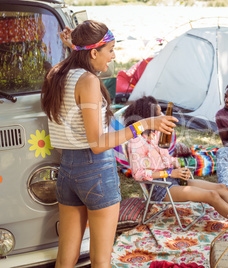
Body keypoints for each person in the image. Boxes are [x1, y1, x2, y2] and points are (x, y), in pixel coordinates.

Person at [41, 20, 177, 268]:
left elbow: (75, 62)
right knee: (101, 259)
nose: (113, 57)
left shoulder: (55, 75)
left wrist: (74, 47)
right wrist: (144, 124)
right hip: (96, 172)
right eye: (111, 50)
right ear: (93, 52)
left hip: (67, 170)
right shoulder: (89, 82)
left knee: (65, 258)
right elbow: (97, 143)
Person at [124, 96, 228, 238]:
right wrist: (171, 171)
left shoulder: (154, 135)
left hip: (174, 179)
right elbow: (139, 174)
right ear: (148, 117)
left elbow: (164, 158)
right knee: (212, 196)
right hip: (160, 188)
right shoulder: (135, 142)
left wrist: (176, 164)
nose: (162, 116)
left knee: (221, 188)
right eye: (158, 113)